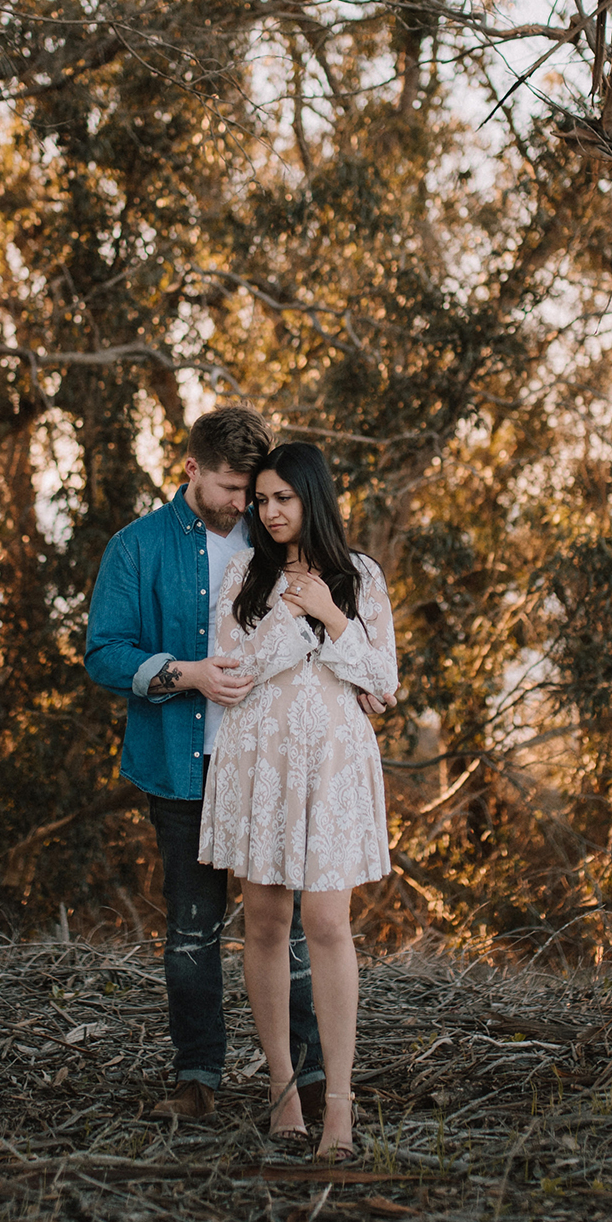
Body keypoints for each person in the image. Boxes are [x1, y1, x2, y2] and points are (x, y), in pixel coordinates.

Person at [83, 408, 327, 1123]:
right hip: (182, 768)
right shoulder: (136, 548)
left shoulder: (280, 539)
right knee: (193, 930)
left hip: (270, 767)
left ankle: (307, 1081)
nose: (243, 501)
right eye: (229, 486)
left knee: (291, 933)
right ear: (190, 469)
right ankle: (198, 1079)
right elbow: (104, 651)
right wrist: (184, 673)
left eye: (252, 488)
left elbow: (325, 624)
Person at [199, 441, 397, 1162]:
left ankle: (338, 1107)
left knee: (326, 918)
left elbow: (382, 685)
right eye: (262, 499)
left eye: (285, 497)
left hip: (334, 761)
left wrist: (331, 617)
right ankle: (283, 1092)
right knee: (265, 919)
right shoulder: (244, 576)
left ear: (313, 496)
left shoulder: (359, 575)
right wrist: (291, 622)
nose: (271, 510)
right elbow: (232, 672)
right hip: (262, 759)